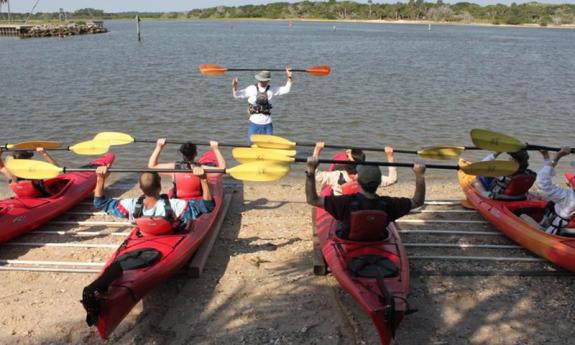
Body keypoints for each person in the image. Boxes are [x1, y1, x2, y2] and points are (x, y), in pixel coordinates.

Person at [306, 156, 426, 241]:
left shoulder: (344, 202)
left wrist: (311, 170)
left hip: (349, 241)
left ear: (357, 181)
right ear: (379, 182)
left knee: (337, 221)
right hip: (377, 240)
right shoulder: (389, 204)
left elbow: (312, 200)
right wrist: (419, 175)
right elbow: (417, 201)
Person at [93, 166, 214, 236]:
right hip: (168, 236)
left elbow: (100, 202)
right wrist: (203, 180)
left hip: (145, 234)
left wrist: (100, 179)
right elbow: (208, 206)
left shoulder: (129, 205)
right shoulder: (175, 204)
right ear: (160, 187)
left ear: (140, 188)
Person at [148, 139, 225, 199]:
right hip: (198, 198)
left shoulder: (173, 168)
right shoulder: (201, 169)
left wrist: (159, 146)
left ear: (182, 154)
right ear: (195, 154)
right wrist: (215, 149)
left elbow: (151, 166)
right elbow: (222, 170)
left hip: (178, 198)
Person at [312, 141, 398, 196]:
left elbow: (315, 174)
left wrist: (317, 151)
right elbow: (392, 179)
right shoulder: (369, 177)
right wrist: (390, 157)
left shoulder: (336, 176)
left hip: (342, 207)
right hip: (358, 206)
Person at [232, 68, 293, 143]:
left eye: (264, 80)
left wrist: (289, 77)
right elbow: (237, 95)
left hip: (267, 124)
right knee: (251, 145)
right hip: (254, 123)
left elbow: (286, 89)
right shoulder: (252, 88)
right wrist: (235, 86)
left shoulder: (272, 89)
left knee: (268, 146)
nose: (262, 82)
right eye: (261, 80)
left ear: (268, 80)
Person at [533, 147, 575, 235]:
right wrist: (546, 157)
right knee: (551, 206)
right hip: (569, 227)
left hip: (557, 232)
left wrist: (557, 157)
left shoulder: (567, 196)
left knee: (523, 216)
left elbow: (543, 183)